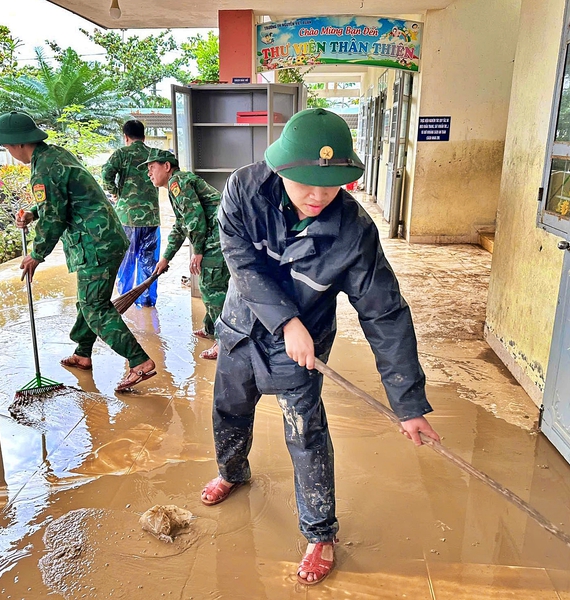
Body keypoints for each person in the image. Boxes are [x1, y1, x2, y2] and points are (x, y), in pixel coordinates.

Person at [199, 108, 441, 584]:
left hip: (304, 345)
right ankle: (232, 471)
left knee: (305, 432)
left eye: (330, 185)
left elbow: (384, 312)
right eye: (306, 183)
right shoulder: (244, 189)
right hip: (243, 327)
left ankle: (320, 532)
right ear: (281, 169)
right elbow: (239, 260)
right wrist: (284, 319)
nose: (318, 195)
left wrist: (408, 402)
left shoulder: (353, 230)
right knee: (229, 409)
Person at [0, 111, 157, 392]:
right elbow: (60, 201)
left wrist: (36, 254)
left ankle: (139, 361)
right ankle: (82, 353)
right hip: (103, 238)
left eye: (7, 146)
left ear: (19, 143)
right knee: (88, 300)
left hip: (95, 243)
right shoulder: (54, 155)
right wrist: (33, 212)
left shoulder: (44, 168)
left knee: (94, 306)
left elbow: (54, 218)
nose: (9, 152)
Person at [142, 148, 228, 360]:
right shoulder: (176, 185)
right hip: (216, 232)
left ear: (167, 166)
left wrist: (197, 251)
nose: (149, 173)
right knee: (209, 286)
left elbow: (195, 218)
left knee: (212, 287)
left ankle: (224, 342)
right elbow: (181, 225)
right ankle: (210, 328)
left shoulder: (177, 182)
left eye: (152, 167)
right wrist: (166, 258)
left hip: (220, 234)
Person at [102, 120, 161, 308]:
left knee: (126, 262)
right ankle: (147, 302)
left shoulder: (121, 154)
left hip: (127, 218)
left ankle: (124, 302)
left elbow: (105, 174)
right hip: (151, 218)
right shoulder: (154, 155)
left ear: (125, 137)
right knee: (149, 263)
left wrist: (115, 192)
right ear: (144, 136)